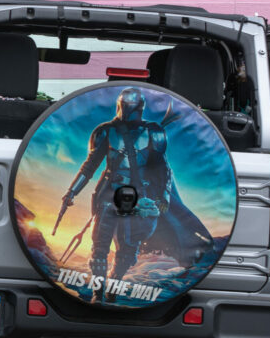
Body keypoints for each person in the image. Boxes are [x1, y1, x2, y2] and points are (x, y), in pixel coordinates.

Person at [59, 87, 211, 301]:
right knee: (100, 247)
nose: (128, 111)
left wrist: (164, 198)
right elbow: (89, 166)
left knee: (128, 251)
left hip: (138, 197)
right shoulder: (105, 131)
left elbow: (163, 169)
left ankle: (112, 289)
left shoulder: (153, 132)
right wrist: (71, 192)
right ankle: (98, 293)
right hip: (108, 194)